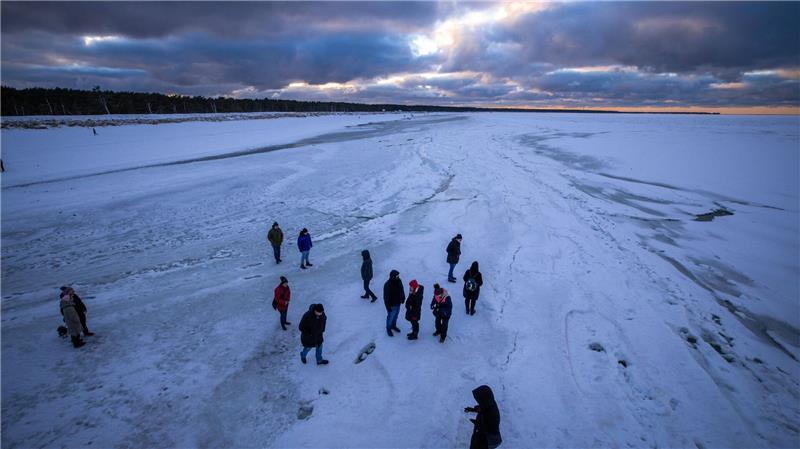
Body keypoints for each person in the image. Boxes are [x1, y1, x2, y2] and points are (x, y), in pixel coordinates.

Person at [464, 385, 502, 449]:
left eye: (479, 399)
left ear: (484, 398)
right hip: (480, 436)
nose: (478, 401)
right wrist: (472, 409)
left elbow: (490, 429)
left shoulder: (492, 414)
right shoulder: (488, 403)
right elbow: (482, 408)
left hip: (485, 441)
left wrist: (478, 424)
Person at [383, 270, 405, 337]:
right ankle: (388, 328)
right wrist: (388, 307)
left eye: (398, 276)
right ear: (392, 277)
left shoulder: (399, 281)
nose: (398, 277)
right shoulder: (387, 285)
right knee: (390, 317)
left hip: (398, 303)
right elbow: (386, 297)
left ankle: (393, 326)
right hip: (391, 305)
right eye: (397, 276)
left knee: (395, 316)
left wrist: (403, 297)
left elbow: (402, 290)